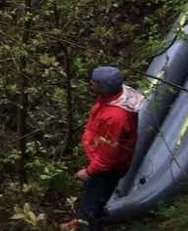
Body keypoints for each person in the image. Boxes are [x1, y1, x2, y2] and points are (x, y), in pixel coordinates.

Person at [61, 66, 145, 230]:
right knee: (94, 197)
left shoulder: (116, 117)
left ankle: (85, 224)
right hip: (103, 160)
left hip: (107, 169)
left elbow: (108, 156)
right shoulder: (115, 95)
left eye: (94, 82)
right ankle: (87, 219)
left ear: (104, 87)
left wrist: (89, 171)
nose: (91, 84)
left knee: (91, 203)